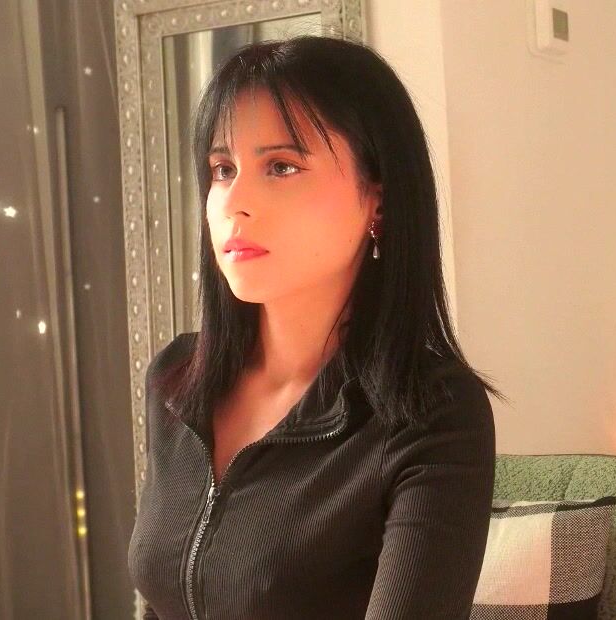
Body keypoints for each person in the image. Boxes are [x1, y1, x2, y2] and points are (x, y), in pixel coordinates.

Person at [126, 34, 505, 620]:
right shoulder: (177, 379)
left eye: (281, 166)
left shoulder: (431, 409)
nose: (234, 202)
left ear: (378, 200)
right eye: (223, 169)